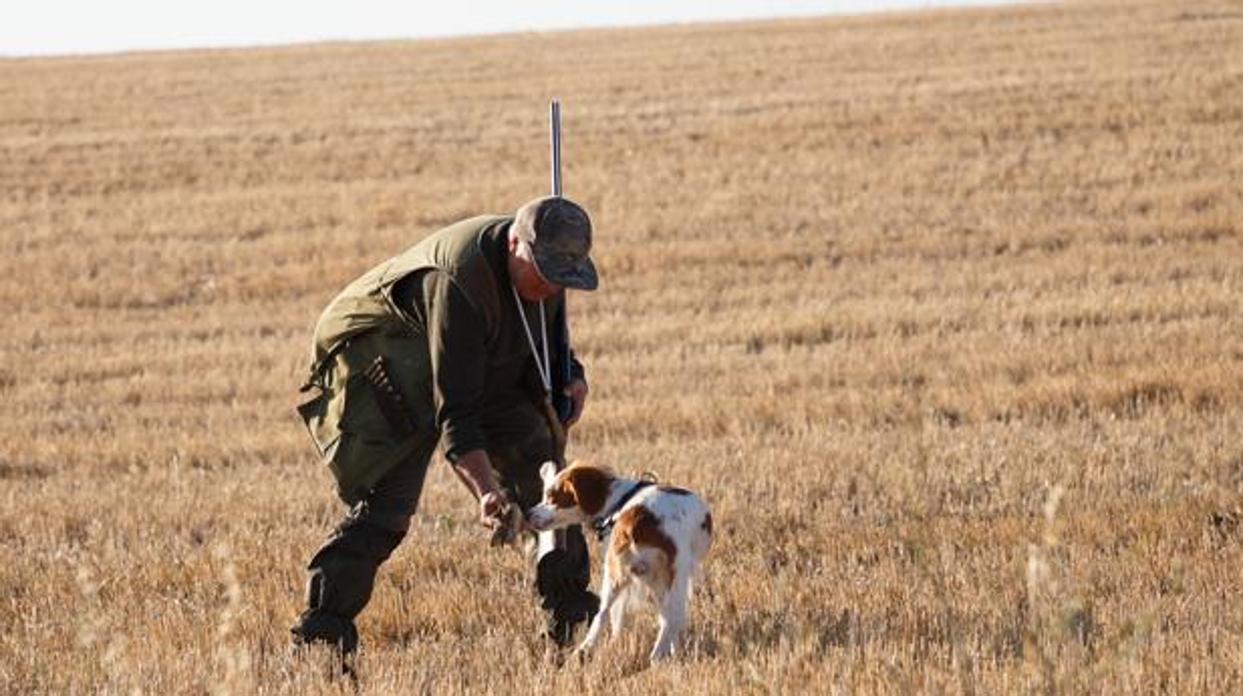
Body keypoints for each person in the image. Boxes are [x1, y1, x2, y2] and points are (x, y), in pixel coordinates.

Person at [290, 195, 600, 655]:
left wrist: (571, 377)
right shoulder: (459, 282)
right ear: (516, 243)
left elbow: (544, 341)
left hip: (479, 355)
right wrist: (487, 491)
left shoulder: (547, 270)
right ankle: (322, 636)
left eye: (562, 279)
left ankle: (572, 622)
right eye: (544, 272)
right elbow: (457, 411)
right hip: (392, 360)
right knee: (386, 509)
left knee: (547, 483)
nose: (551, 286)